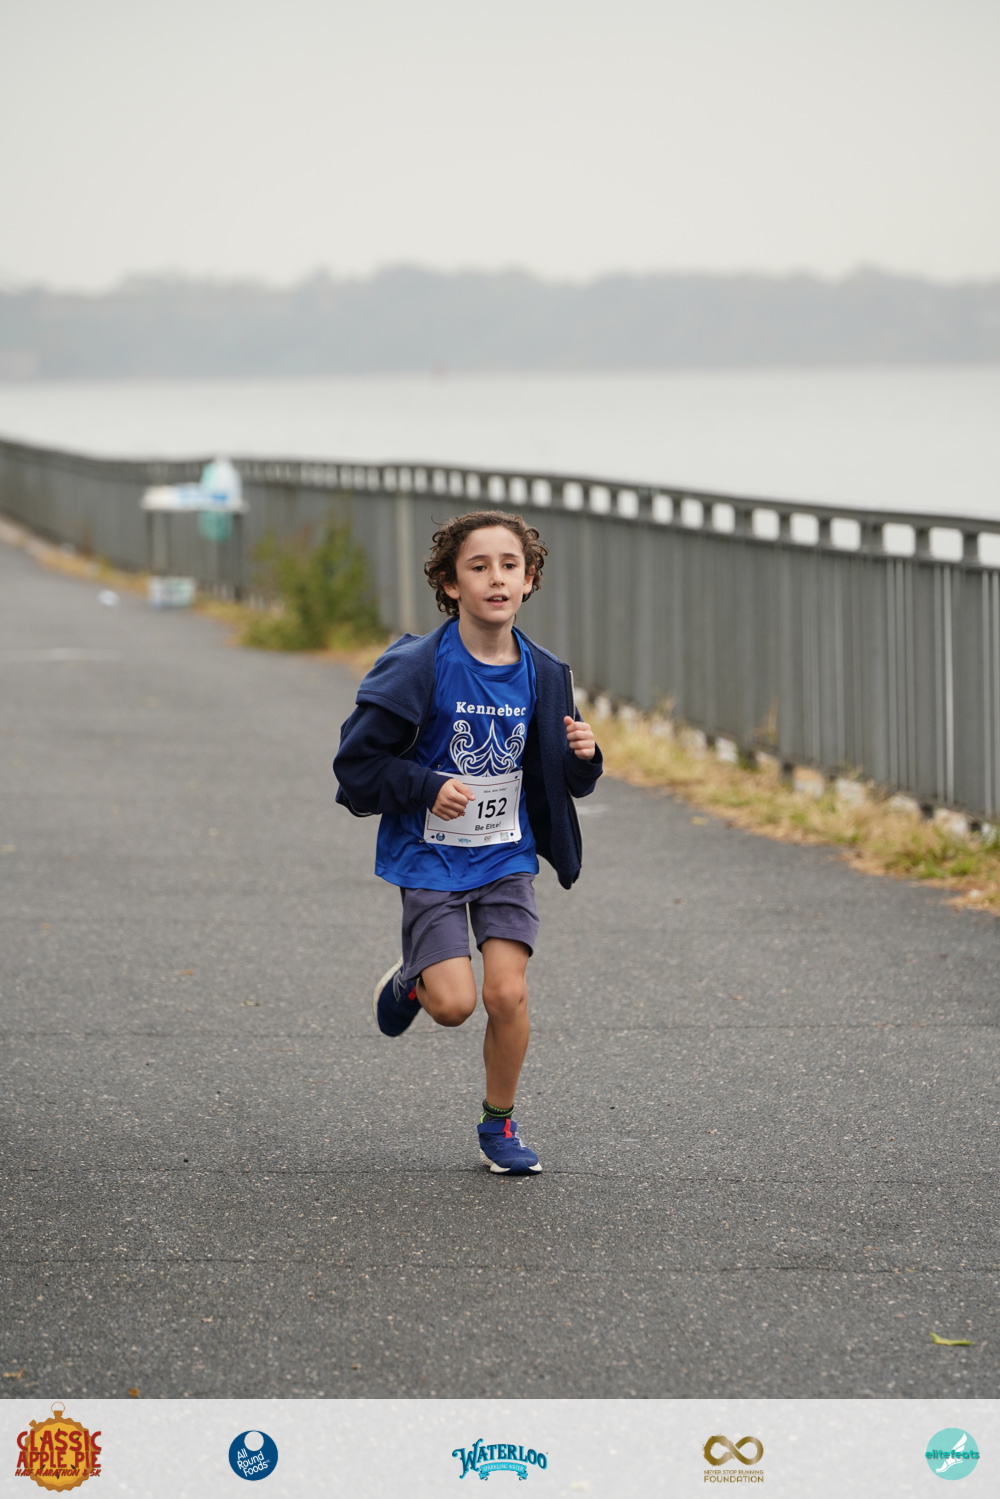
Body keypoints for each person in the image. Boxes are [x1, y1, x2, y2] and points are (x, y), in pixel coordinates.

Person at [333, 509, 602, 1174]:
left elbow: (559, 778)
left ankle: (498, 1123)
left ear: (529, 579)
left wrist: (585, 757)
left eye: (510, 566)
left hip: (505, 852)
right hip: (430, 854)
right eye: (478, 567)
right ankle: (413, 981)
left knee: (506, 993)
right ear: (451, 584)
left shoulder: (545, 672)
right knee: (453, 1005)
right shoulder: (418, 668)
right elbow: (356, 766)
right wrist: (426, 786)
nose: (496, 579)